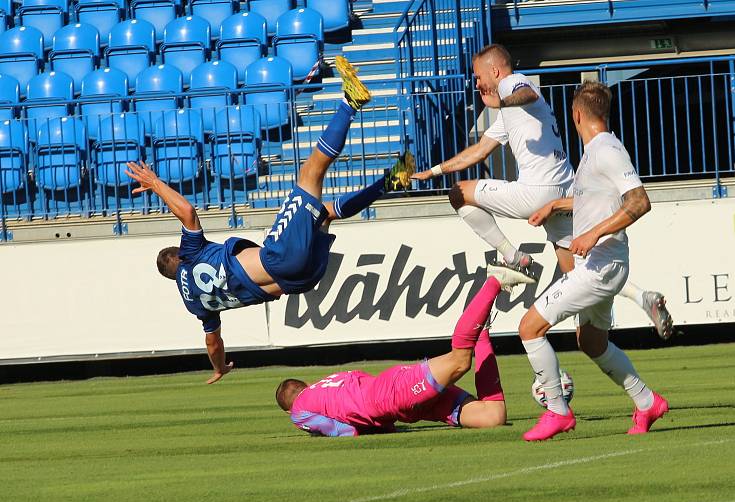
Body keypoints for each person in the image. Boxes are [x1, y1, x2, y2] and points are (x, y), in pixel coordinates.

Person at [125, 56, 393, 384]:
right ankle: (350, 103)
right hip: (279, 259)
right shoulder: (191, 255)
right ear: (178, 258)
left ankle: (390, 182)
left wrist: (219, 367)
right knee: (310, 174)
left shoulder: (194, 302)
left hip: (302, 282)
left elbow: (213, 341)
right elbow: (187, 213)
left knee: (324, 214)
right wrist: (155, 184)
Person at [411, 44, 672, 340]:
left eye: (479, 76)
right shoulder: (513, 114)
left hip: (536, 191)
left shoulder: (511, 84)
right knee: (578, 273)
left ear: (495, 71)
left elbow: (527, 92)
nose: (478, 83)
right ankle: (643, 297)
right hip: (563, 191)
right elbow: (479, 152)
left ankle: (512, 256)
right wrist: (433, 172)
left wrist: (499, 101)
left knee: (458, 193)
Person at [519, 81, 669, 441]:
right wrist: (555, 205)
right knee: (591, 342)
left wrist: (592, 234)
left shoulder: (606, 151)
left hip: (601, 267)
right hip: (603, 267)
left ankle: (557, 411)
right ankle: (647, 402)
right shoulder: (594, 152)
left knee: (530, 328)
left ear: (576, 114)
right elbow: (596, 199)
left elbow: (638, 202)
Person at [276, 273, 517, 436]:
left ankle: (494, 281)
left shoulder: (298, 412)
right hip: (398, 401)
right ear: (306, 383)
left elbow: (344, 431)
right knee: (493, 417)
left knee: (459, 361)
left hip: (393, 396)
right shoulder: (326, 384)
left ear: (288, 410)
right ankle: (481, 333)